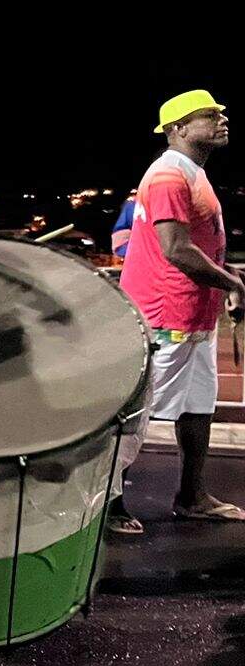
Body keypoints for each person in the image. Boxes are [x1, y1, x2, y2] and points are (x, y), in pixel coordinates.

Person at [118, 89, 245, 523]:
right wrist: (231, 281)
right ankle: (109, 504)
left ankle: (192, 496)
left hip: (194, 314)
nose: (221, 120)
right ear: (178, 129)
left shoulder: (191, 171)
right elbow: (176, 249)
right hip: (163, 315)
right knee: (138, 412)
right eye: (209, 115)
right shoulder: (169, 175)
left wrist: (224, 284)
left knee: (197, 406)